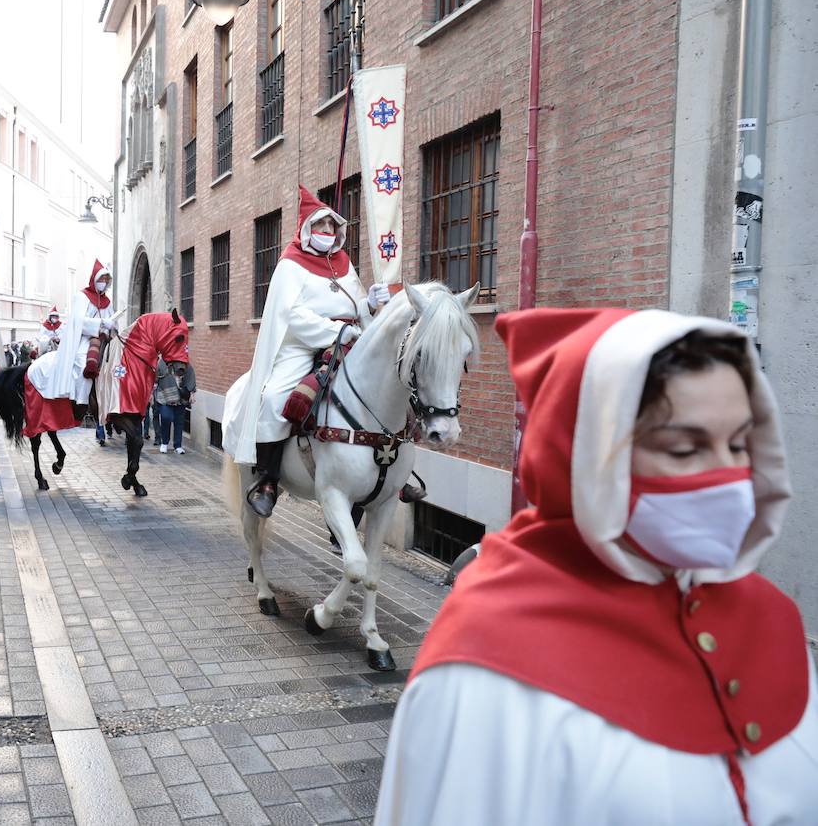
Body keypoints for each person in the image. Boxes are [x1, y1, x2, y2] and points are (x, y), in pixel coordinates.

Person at [375, 308, 818, 825]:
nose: (730, 477)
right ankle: (268, 466)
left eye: (740, 444)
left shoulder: (772, 618)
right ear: (585, 459)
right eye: (683, 448)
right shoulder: (484, 676)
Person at [223, 185, 390, 517]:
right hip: (301, 345)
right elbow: (291, 315)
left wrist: (368, 304)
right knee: (273, 399)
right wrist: (335, 330)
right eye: (321, 226)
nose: (327, 232)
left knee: (384, 386)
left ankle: (392, 472)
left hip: (349, 339)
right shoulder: (291, 263)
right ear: (306, 230)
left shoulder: (343, 262)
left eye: (332, 226)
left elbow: (353, 305)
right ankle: (268, 479)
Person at [28, 260, 116, 409]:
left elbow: (111, 321)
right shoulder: (82, 297)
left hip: (104, 339)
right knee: (82, 363)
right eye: (102, 279)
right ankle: (82, 401)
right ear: (95, 279)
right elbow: (78, 321)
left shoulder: (107, 301)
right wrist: (101, 323)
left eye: (107, 279)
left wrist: (112, 326)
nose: (105, 282)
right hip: (83, 339)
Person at [155, 356, 196, 454]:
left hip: (180, 398)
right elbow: (155, 378)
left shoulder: (186, 364)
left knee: (179, 421)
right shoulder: (162, 362)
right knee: (166, 418)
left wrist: (192, 393)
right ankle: (164, 442)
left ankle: (178, 445)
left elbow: (191, 377)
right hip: (165, 397)